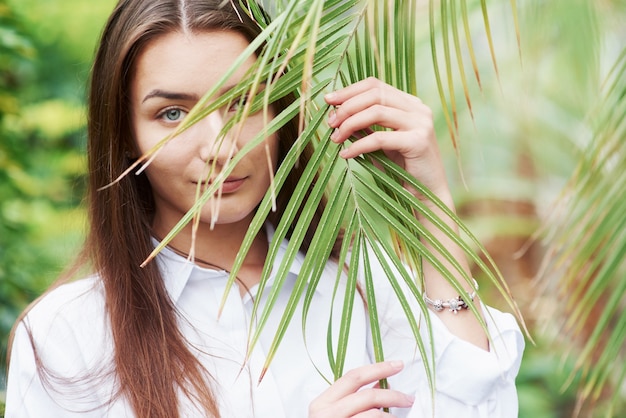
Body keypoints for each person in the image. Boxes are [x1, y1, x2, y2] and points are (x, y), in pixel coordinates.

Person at [5, 0, 524, 417]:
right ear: (126, 136)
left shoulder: (363, 287)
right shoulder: (67, 335)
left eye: (245, 102)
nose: (219, 146)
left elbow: (482, 404)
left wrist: (428, 198)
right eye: (172, 113)